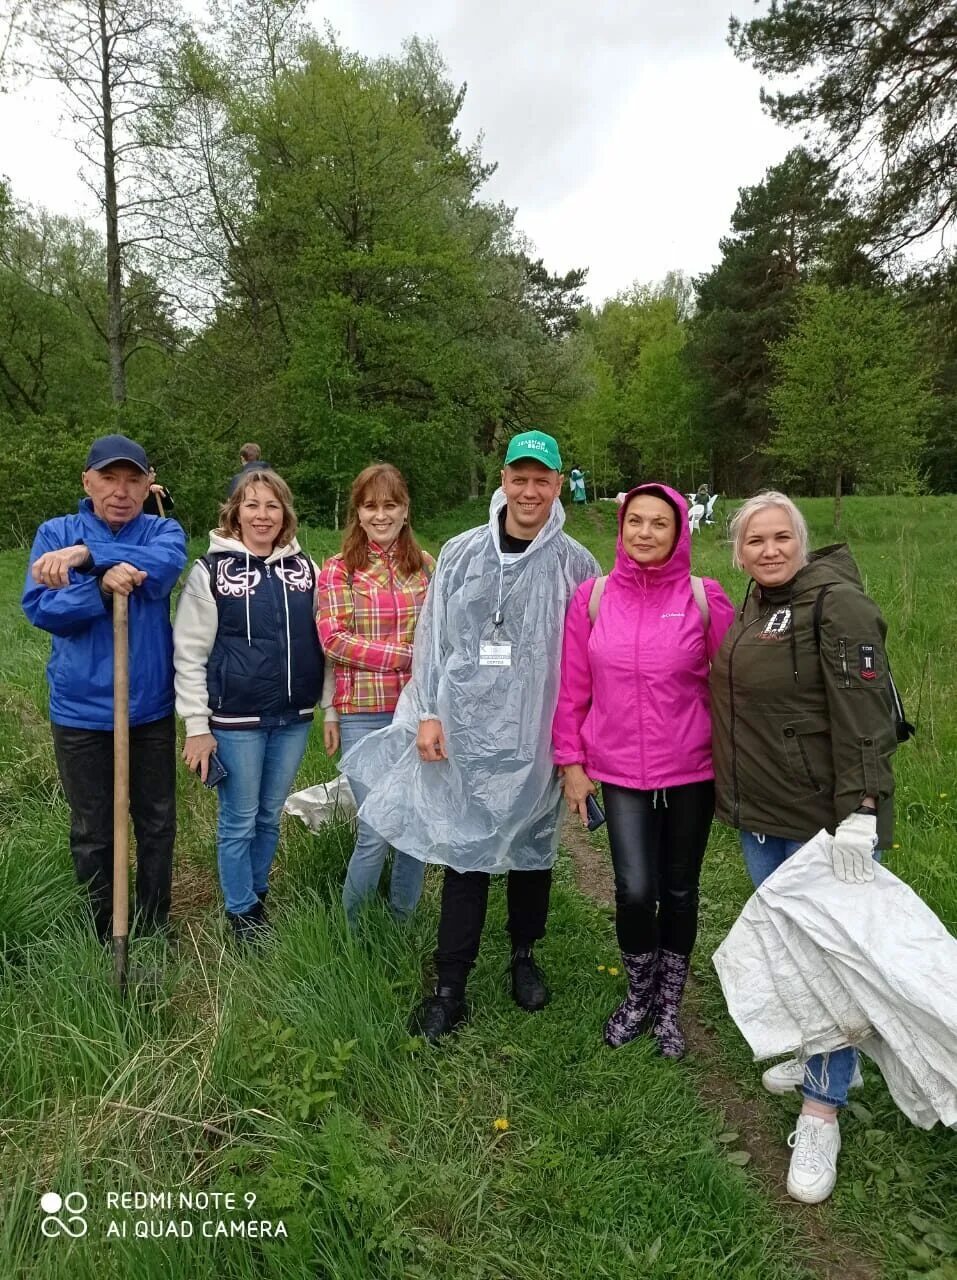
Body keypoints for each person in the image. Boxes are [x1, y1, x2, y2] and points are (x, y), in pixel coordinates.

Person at [342, 431, 599, 1041]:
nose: (529, 490)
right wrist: (427, 711)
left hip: (538, 735)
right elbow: (432, 638)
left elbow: (586, 660)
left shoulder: (576, 563)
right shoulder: (460, 553)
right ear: (503, 480)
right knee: (466, 852)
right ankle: (450, 984)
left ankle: (523, 957)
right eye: (520, 477)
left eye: (542, 479)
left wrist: (574, 749)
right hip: (467, 731)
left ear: (558, 485)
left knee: (533, 850)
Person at [709, 490, 897, 1205]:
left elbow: (864, 717)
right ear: (737, 551)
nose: (768, 549)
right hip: (765, 815)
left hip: (825, 825)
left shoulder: (835, 604)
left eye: (779, 536)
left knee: (831, 962)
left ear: (800, 538)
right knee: (791, 947)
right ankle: (820, 1058)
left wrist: (861, 811)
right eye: (753, 540)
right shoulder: (754, 603)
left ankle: (823, 1110)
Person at [554, 483, 734, 1057]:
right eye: (636, 521)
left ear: (680, 532)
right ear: (622, 526)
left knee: (679, 890)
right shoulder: (595, 597)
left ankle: (670, 1006)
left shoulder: (705, 599)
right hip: (620, 771)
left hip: (690, 770)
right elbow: (572, 689)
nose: (646, 533)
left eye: (660, 523)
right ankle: (638, 995)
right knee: (635, 890)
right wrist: (571, 763)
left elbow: (733, 688)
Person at [22, 433, 187, 941]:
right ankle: (103, 932)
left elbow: (158, 570)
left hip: (149, 709)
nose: (121, 490)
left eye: (133, 479)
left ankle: (153, 924)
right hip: (80, 712)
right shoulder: (55, 534)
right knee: (93, 830)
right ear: (87, 481)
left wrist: (87, 557)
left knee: (156, 823)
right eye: (109, 478)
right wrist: (97, 584)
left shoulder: (164, 530)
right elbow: (43, 609)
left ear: (147, 484)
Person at [173, 469, 323, 942]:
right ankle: (240, 914)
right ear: (235, 512)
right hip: (236, 719)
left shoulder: (306, 571)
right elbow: (190, 653)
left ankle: (258, 895)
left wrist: (329, 706)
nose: (262, 515)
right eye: (252, 505)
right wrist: (197, 724)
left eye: (272, 506)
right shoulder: (210, 572)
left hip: (293, 717)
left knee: (269, 813)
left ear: (286, 515)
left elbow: (325, 638)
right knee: (238, 819)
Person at [317, 464, 435, 922]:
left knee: (415, 824)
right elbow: (335, 640)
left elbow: (443, 633)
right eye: (371, 506)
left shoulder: (424, 568)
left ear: (405, 511)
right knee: (376, 829)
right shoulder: (338, 571)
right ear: (358, 513)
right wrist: (406, 656)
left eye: (390, 505)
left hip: (418, 715)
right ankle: (351, 929)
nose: (381, 516)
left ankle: (402, 922)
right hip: (363, 713)